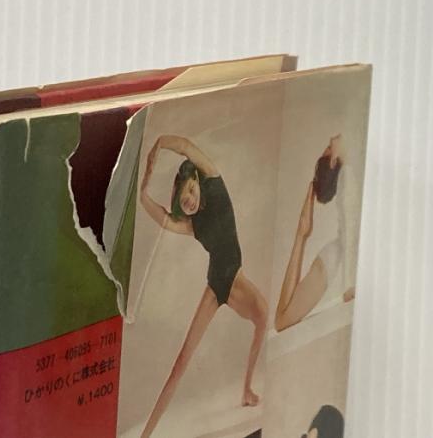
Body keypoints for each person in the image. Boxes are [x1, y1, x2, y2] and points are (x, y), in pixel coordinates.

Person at [139, 134, 268, 438]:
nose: (190, 200)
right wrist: (143, 192)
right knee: (181, 362)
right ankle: (145, 434)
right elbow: (165, 221)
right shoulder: (192, 224)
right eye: (184, 200)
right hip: (215, 285)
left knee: (264, 316)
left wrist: (158, 145)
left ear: (197, 181)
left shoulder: (213, 181)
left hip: (236, 280)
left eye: (191, 191)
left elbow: (185, 147)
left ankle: (247, 389)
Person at [275, 134, 359, 332]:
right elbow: (351, 228)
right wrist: (348, 285)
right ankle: (301, 233)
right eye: (329, 146)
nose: (333, 139)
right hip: (336, 258)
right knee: (282, 320)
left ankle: (302, 232)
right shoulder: (348, 175)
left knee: (281, 319)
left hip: (338, 256)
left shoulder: (351, 173)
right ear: (333, 160)